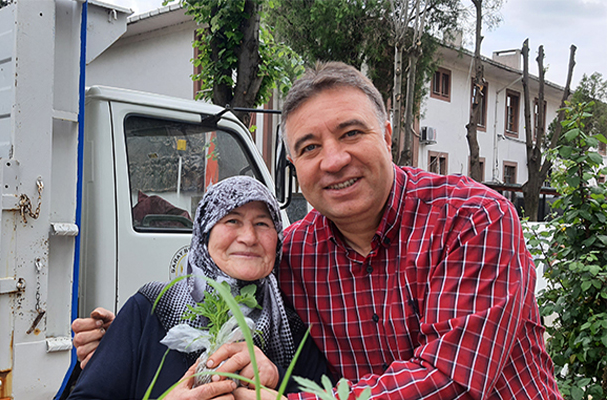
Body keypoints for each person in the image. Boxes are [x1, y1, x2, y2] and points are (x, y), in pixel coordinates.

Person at [74, 62, 561, 400]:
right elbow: (243, 302)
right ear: (295, 167)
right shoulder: (299, 253)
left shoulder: (473, 218)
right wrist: (131, 341)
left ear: (388, 137)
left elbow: (451, 382)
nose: (333, 160)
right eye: (309, 147)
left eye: (351, 133)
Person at [67, 176, 332, 400]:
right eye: (232, 220)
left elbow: (331, 393)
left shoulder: (289, 323)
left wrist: (278, 378)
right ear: (204, 235)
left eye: (262, 223)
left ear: (278, 240)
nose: (249, 237)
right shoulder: (151, 308)